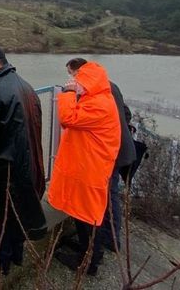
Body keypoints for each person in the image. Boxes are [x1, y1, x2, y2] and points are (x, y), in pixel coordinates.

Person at [0, 47, 47, 275]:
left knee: (1, 211)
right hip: (28, 160)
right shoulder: (26, 87)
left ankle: (0, 258)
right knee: (21, 208)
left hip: (4, 163)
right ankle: (17, 254)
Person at [49, 61, 121, 276]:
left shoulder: (98, 104)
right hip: (90, 166)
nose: (75, 84)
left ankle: (88, 262)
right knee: (85, 213)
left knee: (88, 216)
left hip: (91, 169)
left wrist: (68, 93)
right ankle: (87, 251)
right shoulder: (98, 99)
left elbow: (68, 118)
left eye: (78, 81)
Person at [66, 58, 136, 252]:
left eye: (71, 74)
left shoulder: (90, 91)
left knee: (106, 195)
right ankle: (108, 239)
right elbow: (126, 113)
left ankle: (105, 241)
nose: (71, 79)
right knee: (109, 194)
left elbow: (72, 119)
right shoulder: (109, 85)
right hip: (118, 147)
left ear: (79, 72)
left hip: (108, 152)